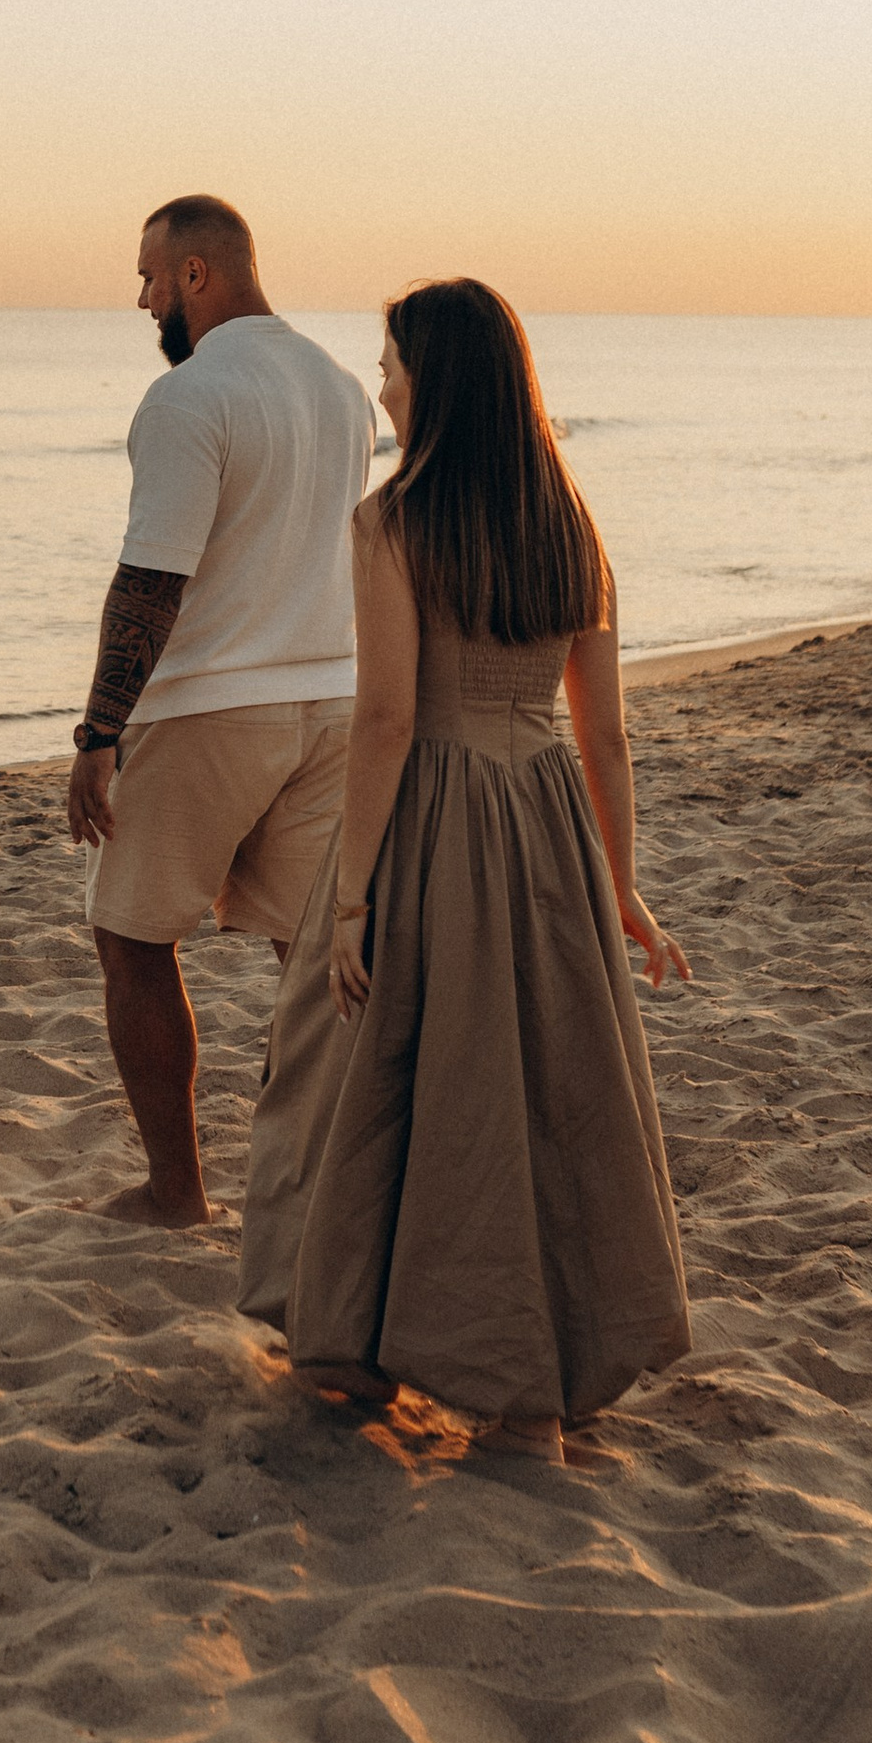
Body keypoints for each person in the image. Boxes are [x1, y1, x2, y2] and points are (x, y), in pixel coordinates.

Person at [238, 278, 691, 1450]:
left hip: (430, 815)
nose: (378, 382)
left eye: (388, 362)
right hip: (541, 821)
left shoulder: (392, 521)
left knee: (374, 1078)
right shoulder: (567, 520)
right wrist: (620, 884)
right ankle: (527, 1392)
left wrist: (349, 900)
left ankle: (359, 1354)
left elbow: (387, 719)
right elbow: (605, 734)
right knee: (534, 1092)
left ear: (434, 376)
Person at [68, 195, 374, 1227]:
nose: (143, 299)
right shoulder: (341, 391)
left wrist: (97, 734)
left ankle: (175, 1193)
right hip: (328, 697)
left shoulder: (189, 400)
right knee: (312, 954)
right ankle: (331, 1184)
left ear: (197, 275)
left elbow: (150, 582)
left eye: (149, 277)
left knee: (130, 938)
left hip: (210, 707)